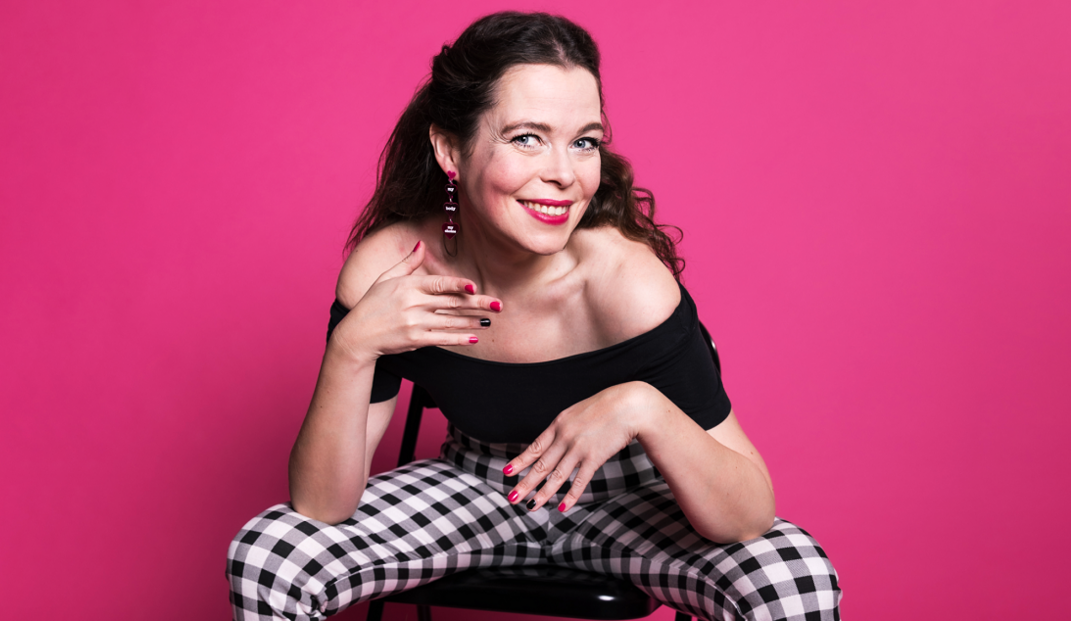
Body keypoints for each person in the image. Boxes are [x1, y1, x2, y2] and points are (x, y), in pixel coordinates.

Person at [228, 11, 840, 621]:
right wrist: (351, 347)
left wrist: (641, 407)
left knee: (793, 576)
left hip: (629, 497)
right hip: (477, 485)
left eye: (584, 141)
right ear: (450, 149)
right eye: (526, 137)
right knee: (268, 556)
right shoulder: (394, 271)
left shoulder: (625, 284)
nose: (565, 175)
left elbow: (750, 514)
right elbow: (320, 505)